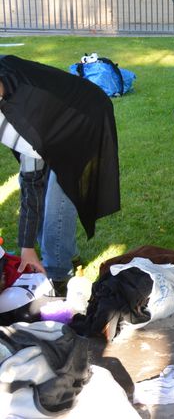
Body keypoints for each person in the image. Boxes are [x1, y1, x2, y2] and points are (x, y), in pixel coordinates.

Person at [0, 54, 121, 290]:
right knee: (43, 191)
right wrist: (27, 247)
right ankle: (67, 252)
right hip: (55, 118)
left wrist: (26, 249)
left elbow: (31, 181)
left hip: (84, 118)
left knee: (60, 194)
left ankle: (57, 275)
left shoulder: (22, 113)